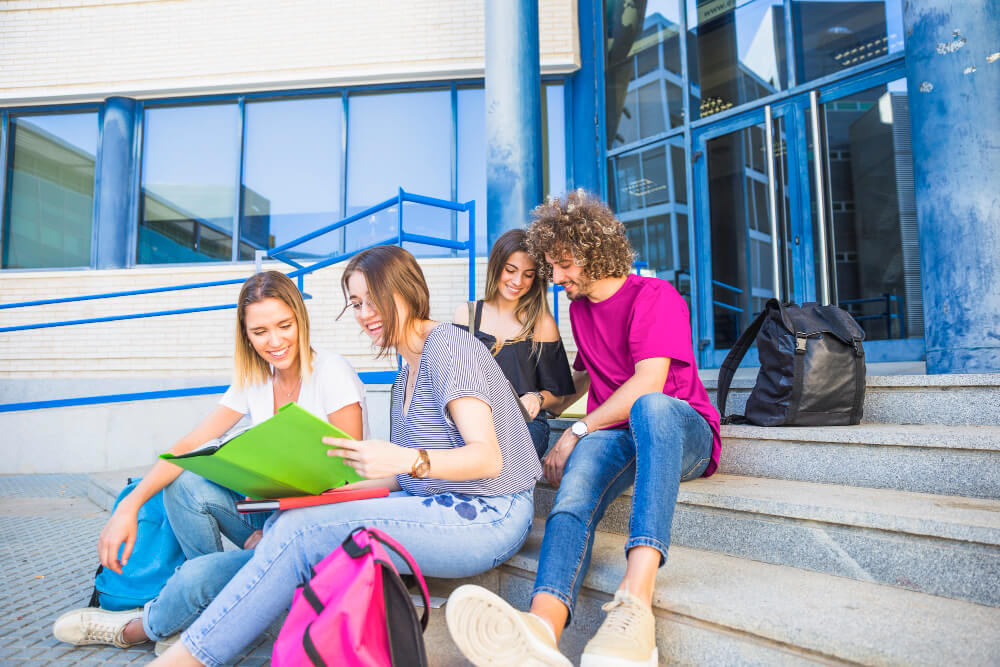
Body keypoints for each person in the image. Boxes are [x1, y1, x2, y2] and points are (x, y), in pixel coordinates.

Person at [150, 245, 541, 666]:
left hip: (490, 510)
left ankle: (185, 658)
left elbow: (487, 460)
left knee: (300, 535)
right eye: (356, 303)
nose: (364, 313)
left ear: (406, 292)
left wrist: (405, 459)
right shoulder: (406, 370)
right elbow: (399, 476)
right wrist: (312, 500)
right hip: (435, 500)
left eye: (374, 299)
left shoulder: (448, 344)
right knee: (294, 521)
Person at [446, 190, 722, 667]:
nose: (555, 278)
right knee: (573, 495)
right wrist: (534, 404)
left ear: (597, 253)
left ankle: (635, 607)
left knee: (651, 408)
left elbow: (648, 382)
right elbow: (586, 376)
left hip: (681, 431)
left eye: (564, 264)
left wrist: (577, 431)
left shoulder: (654, 296)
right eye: (551, 266)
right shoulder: (579, 310)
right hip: (620, 434)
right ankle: (541, 629)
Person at [52, 270, 368, 653]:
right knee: (183, 481)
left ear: (300, 319)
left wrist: (279, 527)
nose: (275, 341)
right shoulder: (256, 377)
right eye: (260, 332)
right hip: (271, 514)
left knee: (194, 576)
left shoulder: (332, 372)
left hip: (316, 529)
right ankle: (215, 615)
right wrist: (130, 506)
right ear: (245, 334)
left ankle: (135, 629)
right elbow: (189, 444)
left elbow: (350, 483)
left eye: (284, 326)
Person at [453, 228, 574, 457]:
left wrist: (536, 397)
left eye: (528, 274)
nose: (518, 281)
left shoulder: (541, 323)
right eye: (510, 270)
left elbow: (559, 397)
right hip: (473, 421)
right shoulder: (466, 315)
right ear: (496, 267)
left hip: (523, 426)